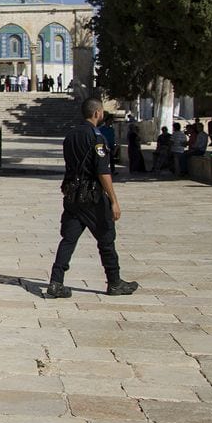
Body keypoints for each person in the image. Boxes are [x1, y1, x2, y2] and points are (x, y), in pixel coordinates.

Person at [48, 98, 138, 298]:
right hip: (93, 197)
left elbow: (70, 166)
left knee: (68, 239)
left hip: (73, 196)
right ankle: (114, 282)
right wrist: (113, 199)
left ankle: (56, 281)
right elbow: (102, 171)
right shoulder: (96, 137)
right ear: (97, 113)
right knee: (106, 238)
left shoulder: (70, 136)